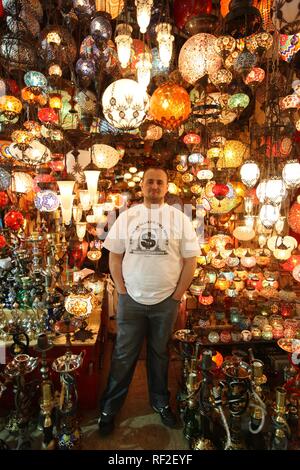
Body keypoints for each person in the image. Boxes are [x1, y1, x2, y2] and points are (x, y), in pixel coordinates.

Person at [98, 167, 200, 435]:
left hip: (166, 300)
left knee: (160, 354)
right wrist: (121, 290)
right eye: (150, 182)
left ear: (167, 187)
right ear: (142, 186)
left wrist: (177, 296)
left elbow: (191, 261)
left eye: (159, 182)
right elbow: (114, 257)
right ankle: (109, 409)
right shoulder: (127, 217)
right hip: (130, 299)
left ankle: (160, 403)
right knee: (122, 355)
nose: (154, 186)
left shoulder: (180, 219)